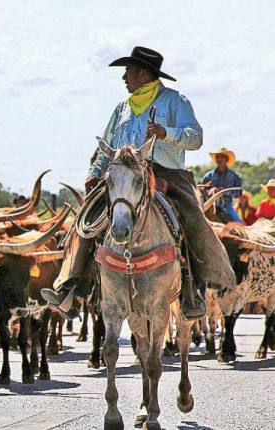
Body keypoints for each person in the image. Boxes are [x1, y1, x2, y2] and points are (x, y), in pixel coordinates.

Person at [42, 46, 235, 320]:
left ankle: (192, 290)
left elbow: (196, 138)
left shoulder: (175, 101)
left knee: (193, 219)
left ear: (143, 74)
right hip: (123, 175)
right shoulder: (121, 108)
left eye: (128, 72)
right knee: (84, 221)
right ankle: (70, 287)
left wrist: (166, 133)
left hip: (166, 174)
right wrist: (95, 173)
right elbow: (108, 146)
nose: (124, 78)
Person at [201, 147, 243, 223]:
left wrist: (225, 191)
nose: (219, 159)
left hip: (226, 206)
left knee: (238, 224)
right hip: (210, 205)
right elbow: (201, 191)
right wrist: (210, 190)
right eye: (217, 157)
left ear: (227, 159)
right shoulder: (208, 176)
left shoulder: (235, 176)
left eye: (222, 157)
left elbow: (238, 193)